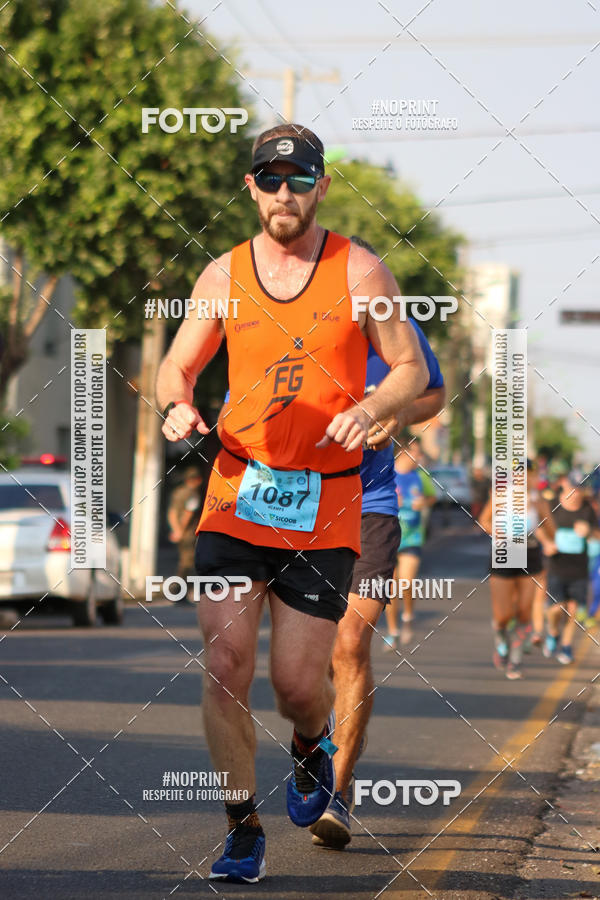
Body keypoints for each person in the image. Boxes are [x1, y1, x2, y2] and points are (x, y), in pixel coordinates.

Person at [156, 123, 429, 883]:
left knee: (300, 686)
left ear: (320, 187)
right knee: (224, 661)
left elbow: (408, 366)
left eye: (299, 180)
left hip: (327, 502)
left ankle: (311, 746)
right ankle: (243, 830)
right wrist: (175, 406)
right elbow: (176, 368)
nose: (285, 194)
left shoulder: (360, 271)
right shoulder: (222, 276)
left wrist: (376, 403)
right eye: (271, 180)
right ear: (250, 187)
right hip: (237, 491)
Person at [309, 235, 445, 850]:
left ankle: (339, 789)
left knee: (349, 641)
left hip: (371, 507)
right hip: (295, 509)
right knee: (303, 662)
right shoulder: (289, 317)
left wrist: (396, 416)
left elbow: (433, 393)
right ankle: (312, 758)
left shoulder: (396, 322)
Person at [479, 460, 549, 679]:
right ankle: (501, 636)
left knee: (524, 612)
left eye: (530, 475)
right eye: (520, 475)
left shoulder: (539, 501)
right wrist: (495, 531)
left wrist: (546, 526)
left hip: (530, 554)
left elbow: (551, 530)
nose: (525, 479)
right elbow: (484, 520)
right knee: (503, 615)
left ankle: (515, 659)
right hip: (504, 553)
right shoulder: (500, 496)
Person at [538, 472, 600, 663]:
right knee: (556, 609)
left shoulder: (587, 509)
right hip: (557, 564)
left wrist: (589, 531)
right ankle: (553, 632)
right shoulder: (552, 506)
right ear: (565, 484)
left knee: (572, 608)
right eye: (573, 487)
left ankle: (566, 647)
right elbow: (538, 526)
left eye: (579, 488)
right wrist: (547, 542)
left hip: (579, 566)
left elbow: (597, 535)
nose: (576, 492)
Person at [384, 439, 432, 648]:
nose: (418, 457)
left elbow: (432, 497)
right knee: (390, 586)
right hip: (388, 537)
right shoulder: (386, 474)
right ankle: (393, 631)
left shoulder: (421, 476)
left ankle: (408, 617)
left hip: (412, 536)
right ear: (402, 453)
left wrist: (424, 502)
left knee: (407, 581)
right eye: (415, 453)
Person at [167, 466, 204, 599]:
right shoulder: (192, 494)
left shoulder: (178, 492)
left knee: (184, 562)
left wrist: (175, 529)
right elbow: (188, 514)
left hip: (179, 531)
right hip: (187, 533)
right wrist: (181, 531)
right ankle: (179, 593)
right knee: (187, 563)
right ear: (197, 480)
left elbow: (171, 513)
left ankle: (178, 592)